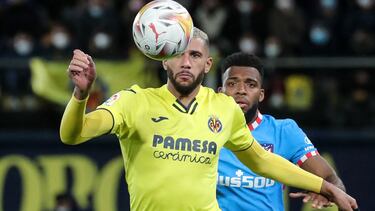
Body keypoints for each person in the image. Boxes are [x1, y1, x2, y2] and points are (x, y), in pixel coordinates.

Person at [60, 27, 358, 211]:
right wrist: (81, 95)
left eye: (195, 55)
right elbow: (73, 135)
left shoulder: (223, 109)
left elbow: (262, 160)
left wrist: (327, 187)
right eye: (178, 53)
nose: (186, 62)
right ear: (164, 57)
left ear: (207, 64)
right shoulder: (134, 101)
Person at [216, 52, 348, 211]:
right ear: (220, 92)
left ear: (261, 95)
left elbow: (331, 180)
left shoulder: (283, 131)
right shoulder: (205, 130)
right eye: (232, 84)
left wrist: (328, 192)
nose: (241, 90)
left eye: (251, 84)